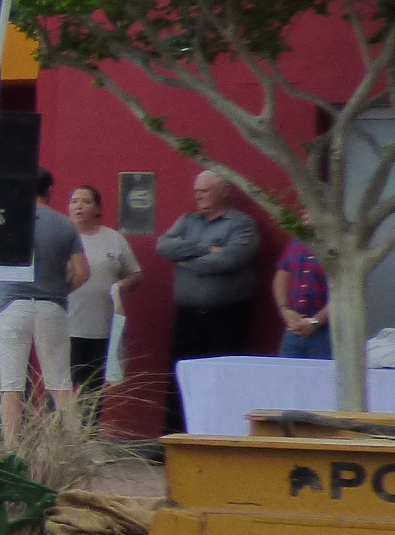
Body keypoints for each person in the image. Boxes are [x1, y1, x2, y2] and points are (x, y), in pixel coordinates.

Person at [157, 170, 262, 434]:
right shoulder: (187, 221)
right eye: (196, 190)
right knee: (181, 376)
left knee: (221, 377)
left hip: (226, 316)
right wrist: (206, 249)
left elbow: (228, 260)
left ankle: (218, 435)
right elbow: (163, 246)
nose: (197, 195)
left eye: (204, 190)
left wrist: (186, 260)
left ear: (224, 192)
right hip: (188, 315)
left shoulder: (241, 225)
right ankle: (175, 436)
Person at [0, 172, 88, 438]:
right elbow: (82, 272)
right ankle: (71, 446)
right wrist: (60, 289)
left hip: (12, 305)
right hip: (52, 306)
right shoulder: (65, 225)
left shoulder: (8, 221)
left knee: (10, 385)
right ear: (48, 190)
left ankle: (11, 449)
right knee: (60, 383)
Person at [64, 184, 140, 396]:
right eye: (73, 201)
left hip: (101, 330)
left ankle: (90, 430)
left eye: (86, 202)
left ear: (98, 209)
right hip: (66, 328)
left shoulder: (114, 239)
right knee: (61, 392)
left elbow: (135, 273)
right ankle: (60, 430)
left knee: (92, 395)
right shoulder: (63, 237)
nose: (78, 206)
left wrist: (121, 286)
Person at [273, 236, 333, 360]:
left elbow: (345, 293)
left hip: (327, 331)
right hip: (294, 328)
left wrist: (315, 322)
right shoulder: (297, 242)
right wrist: (285, 310)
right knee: (286, 373)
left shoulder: (338, 245)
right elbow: (282, 275)